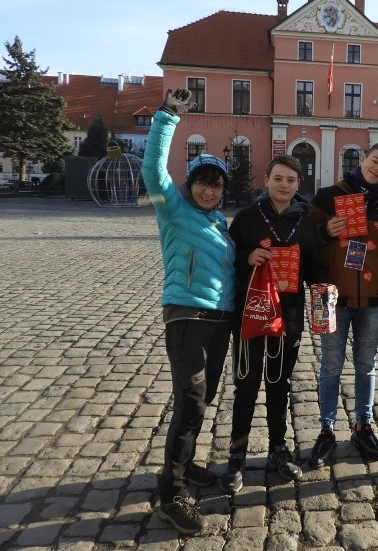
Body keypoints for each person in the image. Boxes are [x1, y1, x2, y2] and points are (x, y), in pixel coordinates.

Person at [141, 88, 236, 534]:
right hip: (186, 317)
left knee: (202, 399)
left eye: (216, 184)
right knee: (191, 400)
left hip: (220, 322)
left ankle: (186, 464)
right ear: (191, 183)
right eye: (202, 180)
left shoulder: (220, 224)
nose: (209, 189)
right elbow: (153, 172)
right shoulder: (173, 211)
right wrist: (166, 119)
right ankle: (172, 492)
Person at [220, 155, 328, 493]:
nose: (284, 185)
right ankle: (237, 455)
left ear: (298, 185)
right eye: (278, 179)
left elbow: (315, 267)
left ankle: (278, 450)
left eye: (291, 181)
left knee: (279, 385)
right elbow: (227, 259)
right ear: (266, 180)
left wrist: (325, 291)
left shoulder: (307, 222)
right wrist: (246, 256)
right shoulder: (248, 218)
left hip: (290, 318)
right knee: (247, 386)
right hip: (251, 314)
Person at [307, 143, 378, 468]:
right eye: (375, 161)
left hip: (372, 302)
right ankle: (326, 431)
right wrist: (325, 230)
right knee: (330, 368)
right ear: (363, 159)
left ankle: (363, 426)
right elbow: (307, 240)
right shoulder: (328, 195)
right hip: (332, 299)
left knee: (366, 366)